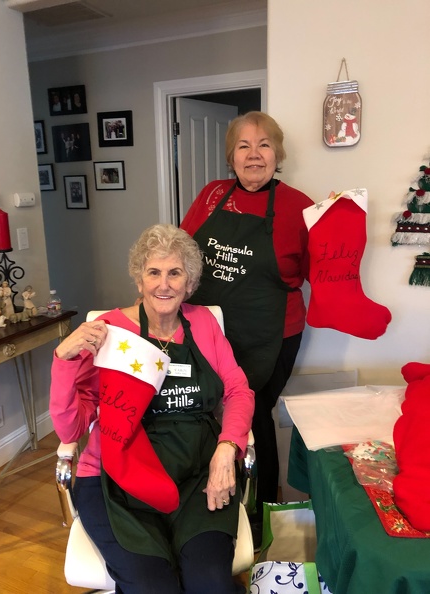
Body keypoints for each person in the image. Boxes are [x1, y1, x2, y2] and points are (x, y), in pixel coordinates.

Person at [49, 224, 254, 594]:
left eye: (175, 273)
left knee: (209, 582)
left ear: (189, 282)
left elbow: (238, 391)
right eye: (153, 272)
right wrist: (64, 359)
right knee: (152, 587)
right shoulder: (107, 331)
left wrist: (228, 448)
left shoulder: (203, 323)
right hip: (116, 482)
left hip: (196, 477)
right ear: (139, 279)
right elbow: (70, 429)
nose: (164, 284)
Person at [180, 111, 315, 543]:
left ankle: (260, 515)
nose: (254, 154)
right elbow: (182, 251)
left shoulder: (299, 204)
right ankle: (206, 502)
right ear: (231, 156)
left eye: (264, 145)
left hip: (271, 332)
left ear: (278, 154)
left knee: (254, 414)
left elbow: (324, 271)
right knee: (204, 412)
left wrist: (338, 222)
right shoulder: (212, 195)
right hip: (209, 330)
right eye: (243, 146)